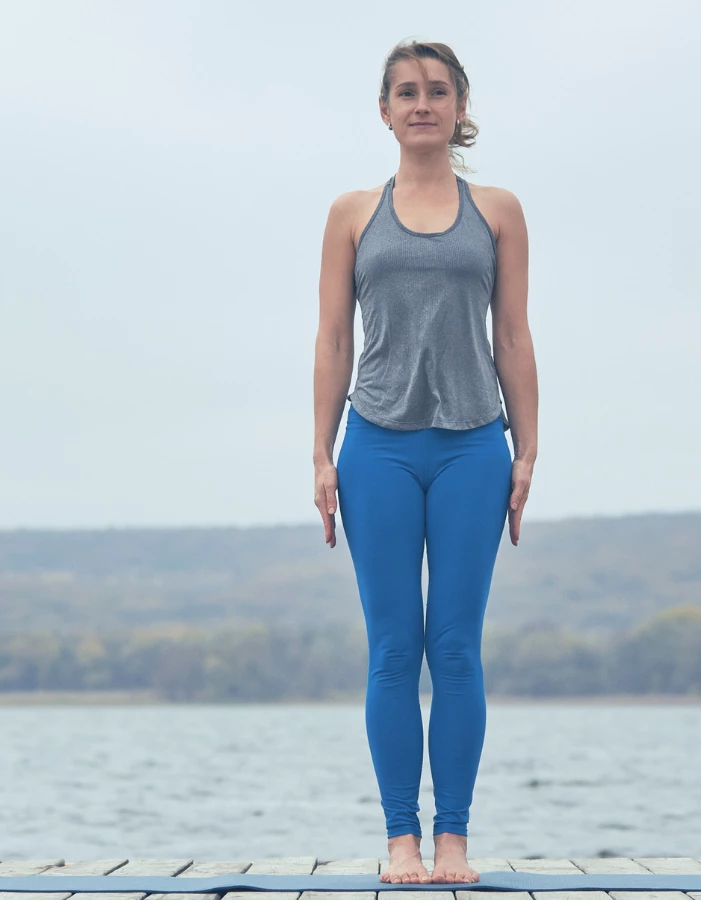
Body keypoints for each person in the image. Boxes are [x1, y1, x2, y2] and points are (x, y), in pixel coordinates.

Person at [311, 39, 539, 886]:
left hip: (475, 445)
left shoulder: (502, 212)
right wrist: (322, 454)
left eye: (438, 91)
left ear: (459, 107)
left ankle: (454, 841)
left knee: (456, 648)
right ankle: (401, 839)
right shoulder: (349, 214)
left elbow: (512, 335)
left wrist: (527, 450)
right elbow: (334, 339)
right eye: (406, 92)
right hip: (375, 445)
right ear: (384, 110)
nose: (422, 104)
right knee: (391, 649)